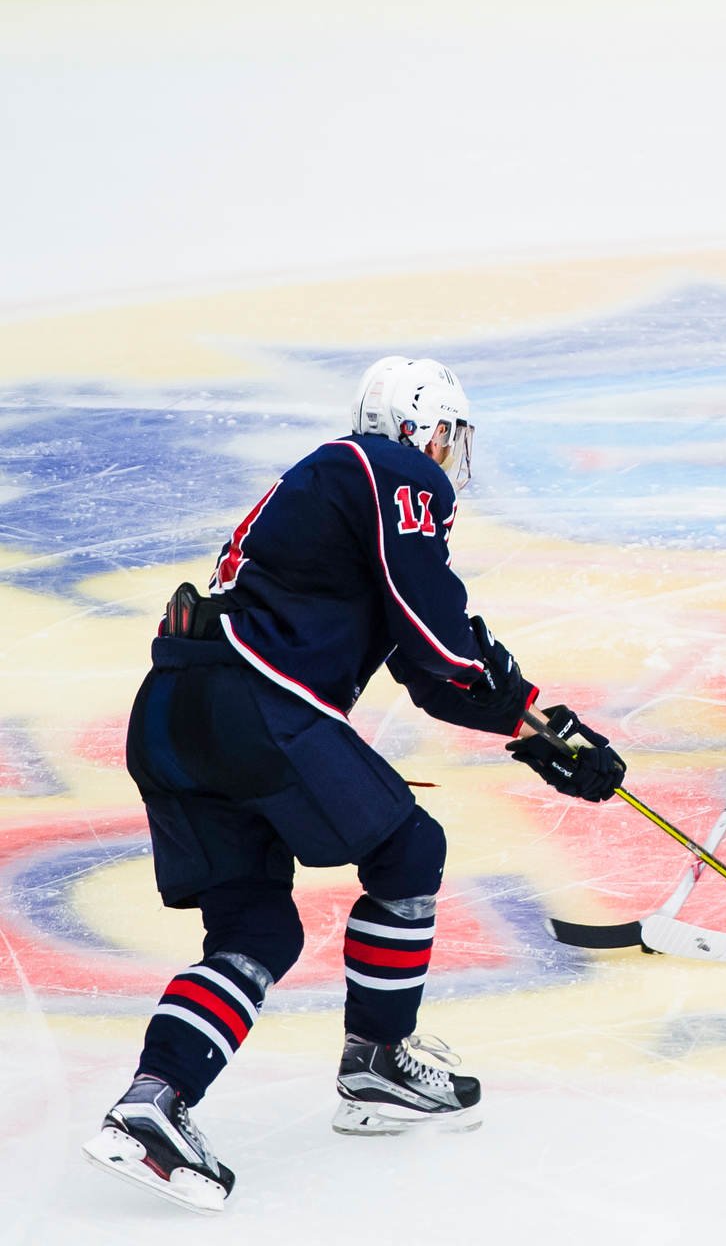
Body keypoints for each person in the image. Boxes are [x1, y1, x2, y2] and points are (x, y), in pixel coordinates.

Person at [82, 357, 628, 1214]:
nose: (449, 463)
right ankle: (376, 1059)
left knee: (256, 929)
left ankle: (152, 1104)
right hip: (255, 701)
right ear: (423, 430)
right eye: (447, 439)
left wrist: (536, 732)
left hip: (173, 713)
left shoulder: (328, 498)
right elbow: (441, 638)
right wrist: (531, 711)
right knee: (410, 847)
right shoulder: (389, 469)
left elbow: (425, 668)